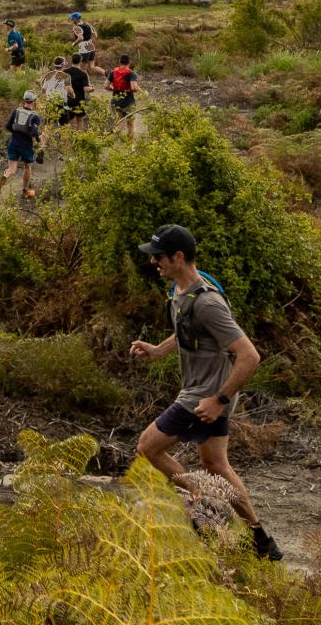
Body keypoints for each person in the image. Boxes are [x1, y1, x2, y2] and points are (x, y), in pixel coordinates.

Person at [129, 224, 281, 561]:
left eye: (159, 258)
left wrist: (219, 400)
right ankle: (261, 540)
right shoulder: (180, 293)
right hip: (203, 392)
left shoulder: (208, 301)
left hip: (205, 396)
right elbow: (186, 332)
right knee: (216, 464)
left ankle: (203, 500)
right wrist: (156, 350)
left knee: (147, 447)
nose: (155, 263)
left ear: (178, 257)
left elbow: (249, 356)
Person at [0, 92, 44, 199]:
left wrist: (15, 133)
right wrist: (38, 139)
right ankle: (25, 190)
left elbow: (8, 126)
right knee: (27, 167)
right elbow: (33, 131)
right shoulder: (35, 116)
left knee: (12, 169)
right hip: (26, 145)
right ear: (34, 101)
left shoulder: (16, 111)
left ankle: (5, 176)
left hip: (13, 142)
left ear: (24, 100)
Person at [59, 55, 92, 129]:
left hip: (68, 99)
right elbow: (86, 89)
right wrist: (92, 88)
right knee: (80, 120)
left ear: (72, 60)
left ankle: (71, 137)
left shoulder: (65, 71)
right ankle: (79, 138)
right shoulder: (83, 74)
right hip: (79, 100)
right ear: (80, 61)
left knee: (69, 120)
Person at [108, 53, 140, 123]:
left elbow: (105, 86)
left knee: (117, 122)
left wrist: (115, 89)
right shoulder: (131, 73)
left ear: (119, 61)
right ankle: (129, 134)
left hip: (115, 101)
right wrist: (141, 92)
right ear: (129, 62)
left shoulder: (113, 72)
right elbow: (134, 87)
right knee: (130, 123)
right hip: (128, 101)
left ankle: (117, 134)